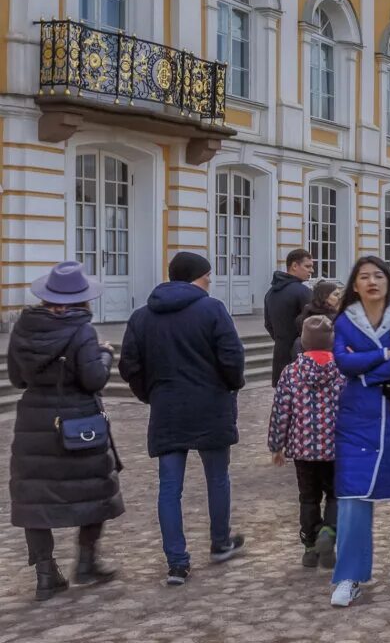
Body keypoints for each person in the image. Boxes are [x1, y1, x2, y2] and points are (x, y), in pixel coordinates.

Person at [120, 252, 246, 586]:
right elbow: (232, 356)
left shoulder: (142, 316)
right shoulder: (212, 309)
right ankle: (220, 542)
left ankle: (177, 562)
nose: (210, 282)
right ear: (196, 277)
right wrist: (230, 385)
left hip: (167, 406)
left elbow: (129, 365)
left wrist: (150, 393)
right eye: (207, 276)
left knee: (169, 488)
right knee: (217, 478)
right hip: (210, 404)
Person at [7, 261, 124, 601]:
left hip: (34, 422)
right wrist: (105, 355)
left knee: (34, 498)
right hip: (78, 422)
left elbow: (17, 378)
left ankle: (46, 575)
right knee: (95, 490)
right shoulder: (82, 330)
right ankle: (87, 563)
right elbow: (93, 379)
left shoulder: (23, 327)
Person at [329, 256, 390, 608]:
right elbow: (342, 361)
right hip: (356, 418)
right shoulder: (345, 319)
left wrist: (367, 373)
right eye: (364, 277)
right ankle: (349, 576)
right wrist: (385, 353)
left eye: (378, 276)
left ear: (388, 281)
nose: (372, 282)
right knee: (352, 495)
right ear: (355, 285)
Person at [269, 315, 345, 569]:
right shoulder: (341, 371)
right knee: (335, 495)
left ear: (303, 341)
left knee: (308, 498)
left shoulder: (291, 372)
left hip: (302, 448)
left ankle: (310, 547)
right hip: (335, 448)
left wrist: (276, 445)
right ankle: (329, 532)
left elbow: (281, 411)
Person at [265, 248, 314, 386]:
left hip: (280, 355)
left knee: (283, 396)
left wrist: (282, 339)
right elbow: (314, 325)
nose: (311, 270)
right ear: (294, 266)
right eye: (307, 266)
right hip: (301, 358)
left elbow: (268, 324)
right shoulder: (303, 292)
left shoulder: (270, 293)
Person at [291, 281, 340, 356]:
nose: (338, 298)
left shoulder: (304, 314)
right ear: (325, 296)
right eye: (335, 294)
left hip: (306, 359)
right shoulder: (335, 319)